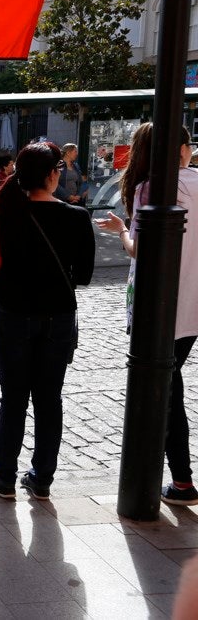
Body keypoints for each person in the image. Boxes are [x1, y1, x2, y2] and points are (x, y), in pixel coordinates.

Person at [0, 142, 94, 501]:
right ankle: (42, 476)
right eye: (59, 166)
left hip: (13, 313)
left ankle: (4, 477)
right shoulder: (77, 218)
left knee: (12, 398)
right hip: (58, 317)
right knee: (49, 399)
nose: (61, 171)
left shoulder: (7, 214)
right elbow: (86, 275)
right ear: (50, 174)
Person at [96, 123, 198, 505]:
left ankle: (182, 480)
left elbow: (140, 250)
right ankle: (181, 480)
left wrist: (122, 231)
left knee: (166, 392)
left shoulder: (150, 188)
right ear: (183, 149)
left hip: (160, 307)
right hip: (192, 304)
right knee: (172, 386)